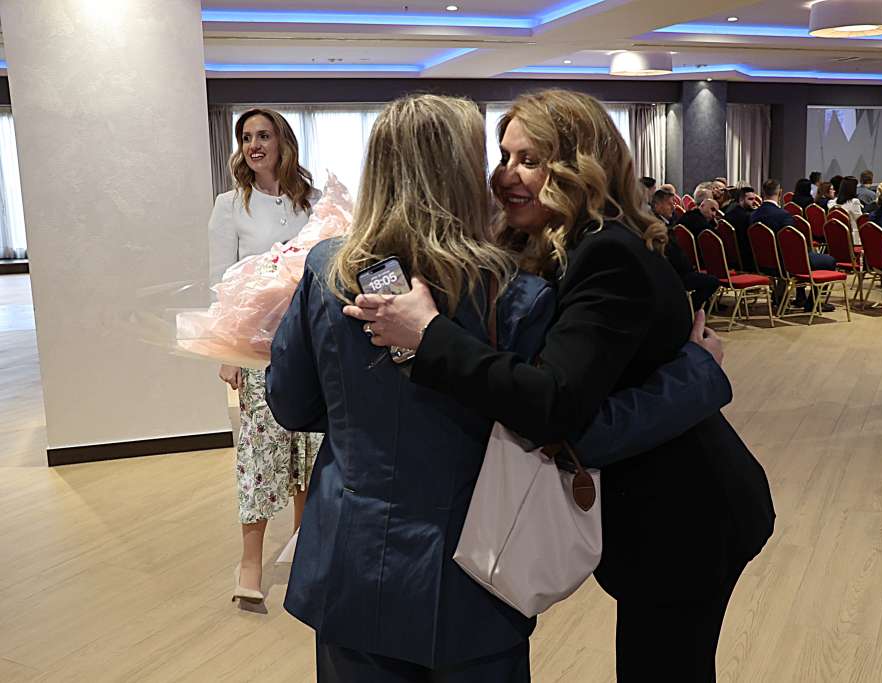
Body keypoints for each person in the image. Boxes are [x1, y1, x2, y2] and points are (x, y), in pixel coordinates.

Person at [268, 93, 741, 682]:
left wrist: (363, 411)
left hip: (350, 556)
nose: (501, 175)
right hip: (472, 562)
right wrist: (696, 375)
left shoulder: (325, 270)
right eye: (496, 157)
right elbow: (555, 422)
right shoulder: (514, 291)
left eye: (525, 159)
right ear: (464, 172)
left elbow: (291, 404)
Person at [207, 107, 324, 604]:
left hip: (312, 346)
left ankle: (305, 546)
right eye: (246, 137)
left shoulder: (314, 201)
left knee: (311, 453)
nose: (253, 145)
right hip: (258, 349)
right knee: (259, 454)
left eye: (263, 135)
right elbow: (222, 283)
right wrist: (228, 351)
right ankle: (250, 561)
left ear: (283, 142)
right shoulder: (230, 205)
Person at [751, 178, 837, 312]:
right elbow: (792, 243)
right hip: (785, 263)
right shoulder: (783, 215)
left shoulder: (753, 215)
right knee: (829, 261)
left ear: (763, 192)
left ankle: (799, 296)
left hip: (762, 262)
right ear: (780, 192)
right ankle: (813, 303)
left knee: (805, 256)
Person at [725, 185, 758, 270]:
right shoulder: (747, 217)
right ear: (741, 200)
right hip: (746, 260)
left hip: (730, 258)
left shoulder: (728, 213)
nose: (754, 202)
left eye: (755, 199)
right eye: (750, 199)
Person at [830, 176, 865, 244]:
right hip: (854, 238)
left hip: (837, 237)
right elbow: (860, 221)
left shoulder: (832, 203)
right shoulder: (854, 202)